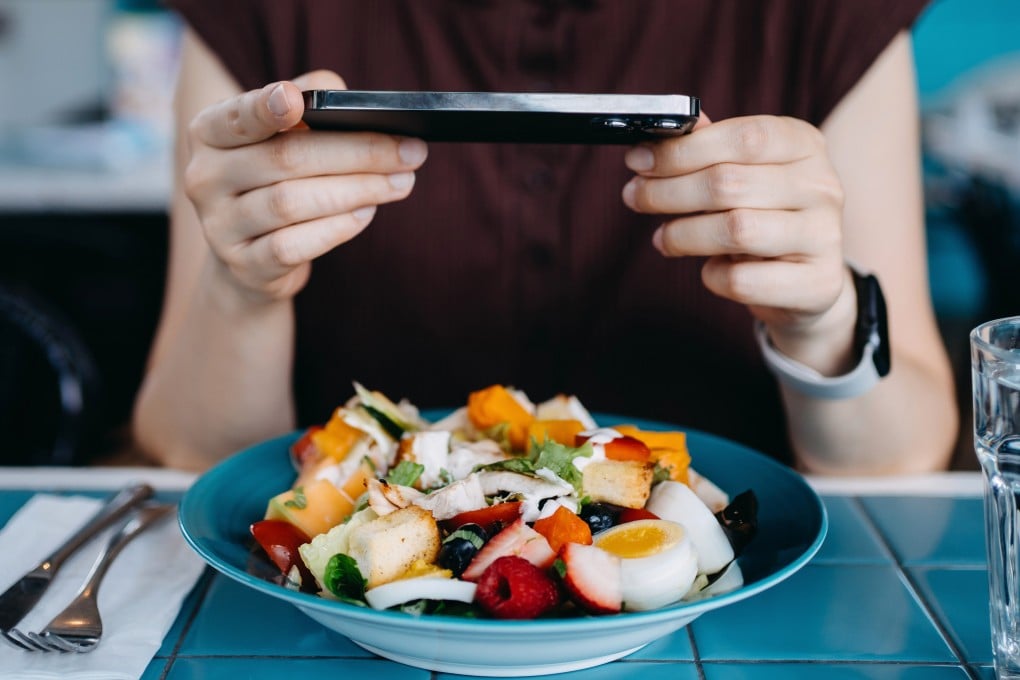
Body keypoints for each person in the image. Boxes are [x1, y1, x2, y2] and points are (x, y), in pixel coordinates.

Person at [133, 0, 958, 475]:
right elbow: (191, 449)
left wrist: (824, 323)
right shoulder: (252, 13)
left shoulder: (828, 13)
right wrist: (242, 289)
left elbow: (902, 457)